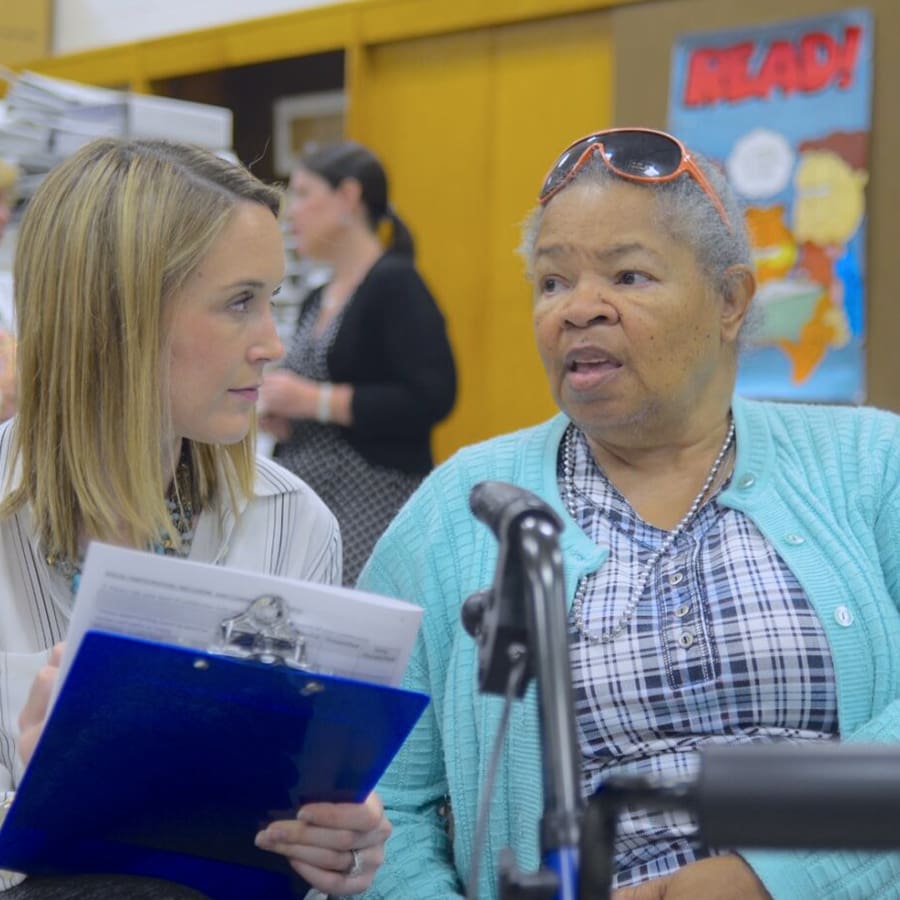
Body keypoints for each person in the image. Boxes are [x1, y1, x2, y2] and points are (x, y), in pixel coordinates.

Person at [355, 127, 900, 898]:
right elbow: (375, 797)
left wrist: (772, 876)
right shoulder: (466, 505)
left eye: (629, 276)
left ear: (731, 301)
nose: (578, 310)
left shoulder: (872, 462)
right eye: (551, 283)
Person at [0, 138, 390, 898]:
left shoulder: (294, 523)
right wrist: (51, 804)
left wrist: (338, 847)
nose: (273, 345)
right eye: (240, 302)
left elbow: (293, 839)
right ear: (117, 317)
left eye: (273, 300)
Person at [258, 141, 456, 586]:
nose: (291, 213)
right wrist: (286, 413)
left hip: (369, 504)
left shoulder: (396, 283)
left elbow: (432, 396)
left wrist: (313, 401)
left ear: (348, 197)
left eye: (304, 194)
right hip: (313, 499)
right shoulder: (317, 295)